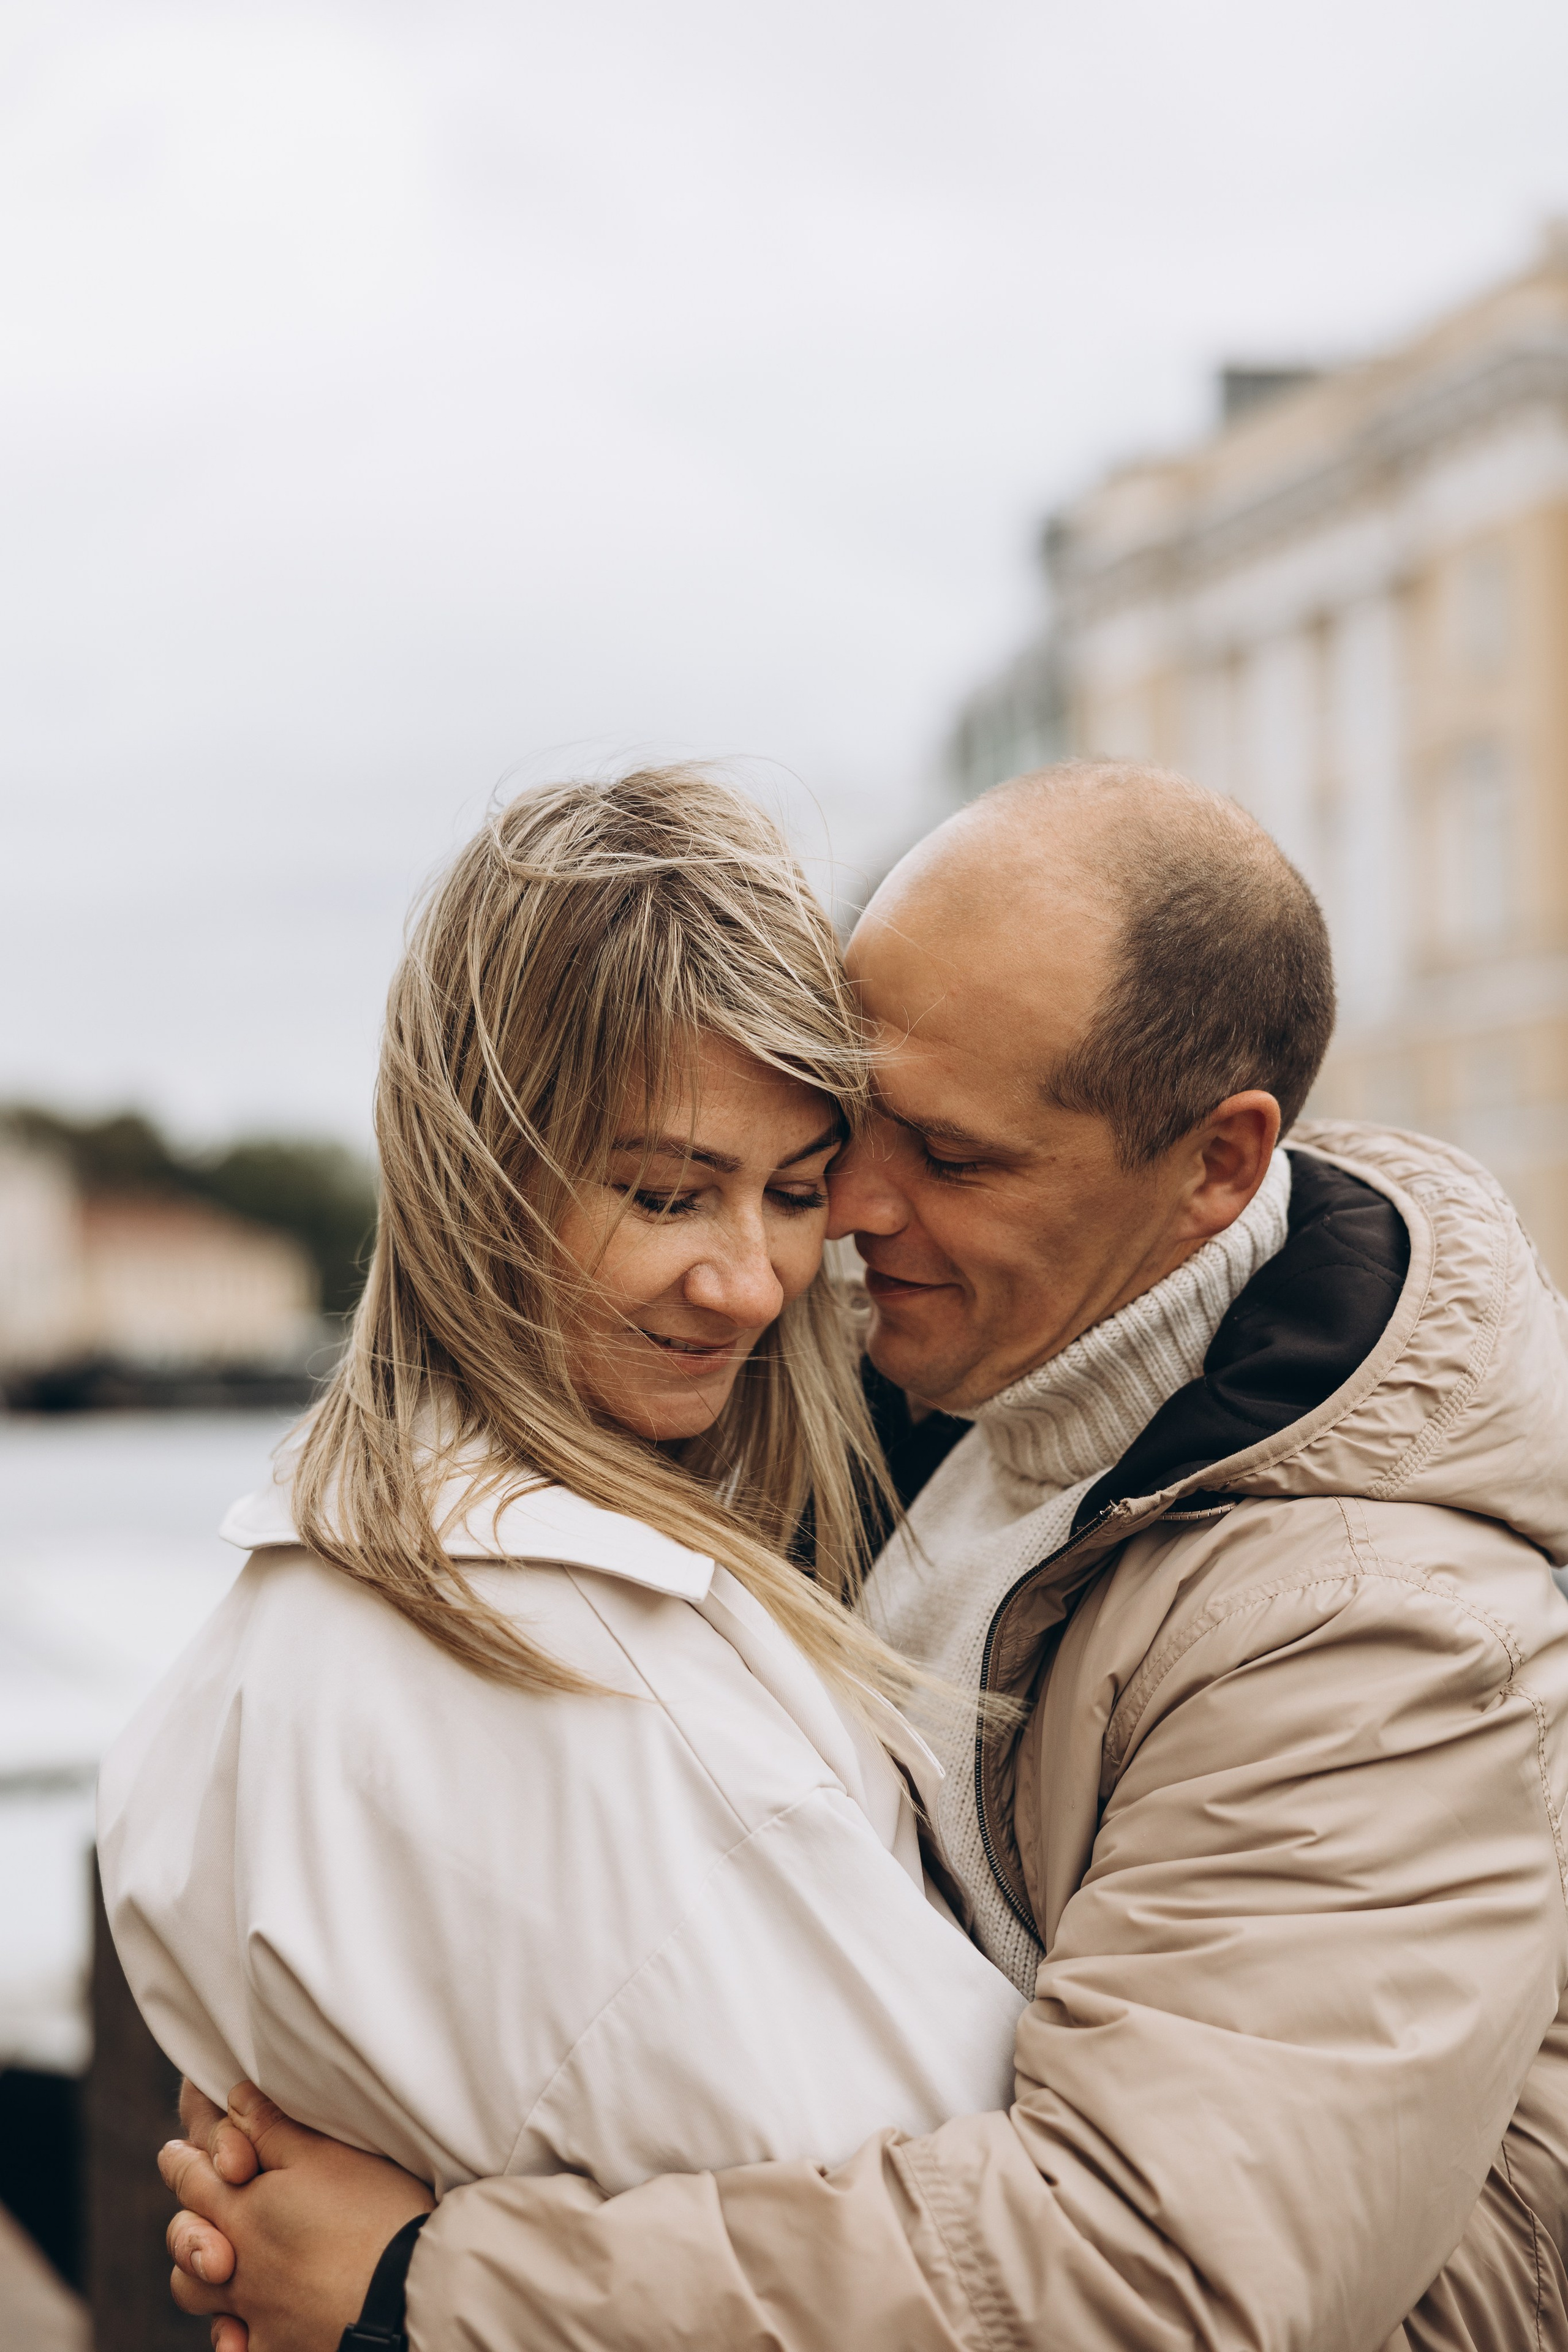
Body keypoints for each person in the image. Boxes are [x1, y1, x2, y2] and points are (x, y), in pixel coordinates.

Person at [162, 761, 1568, 2352]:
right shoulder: (904, 1380)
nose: (839, 1221)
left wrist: (426, 2290)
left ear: (1219, 1165)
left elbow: (1156, 2284)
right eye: (855, 1127)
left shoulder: (1386, 1638)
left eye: (954, 1160)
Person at [99, 769, 1025, 2212]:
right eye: (664, 1193)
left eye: (793, 1194)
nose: (748, 1285)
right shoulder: (620, 1708)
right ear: (479, 1169)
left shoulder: (257, 1636)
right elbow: (996, 2246)